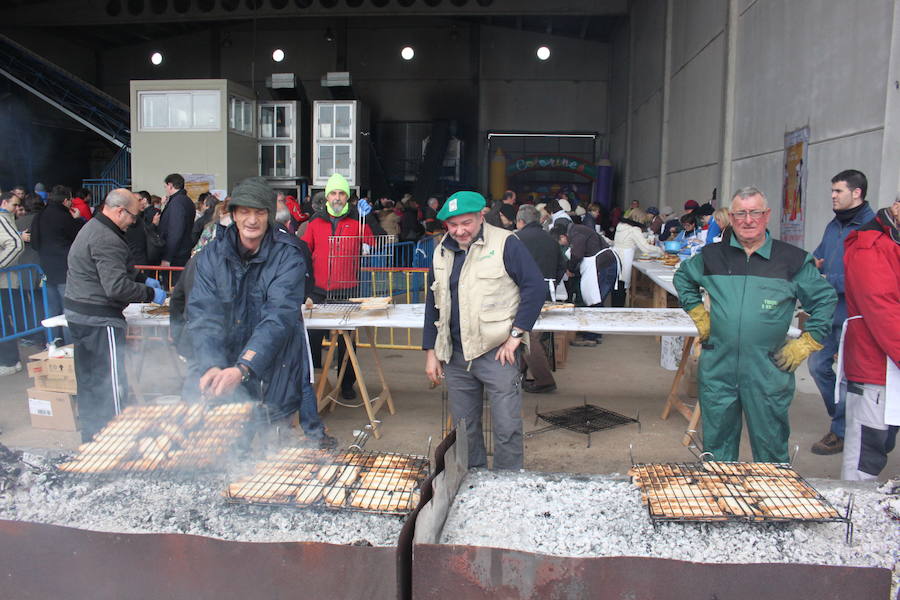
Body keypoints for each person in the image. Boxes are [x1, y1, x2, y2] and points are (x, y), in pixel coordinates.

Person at [673, 186, 837, 462]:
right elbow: (683, 279)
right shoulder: (713, 257)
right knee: (717, 448)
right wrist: (700, 315)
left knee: (770, 445)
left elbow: (824, 300)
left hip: (767, 370)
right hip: (719, 367)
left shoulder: (791, 260)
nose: (748, 220)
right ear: (730, 217)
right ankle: (721, 496)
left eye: (755, 213)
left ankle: (772, 499)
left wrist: (807, 343)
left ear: (767, 215)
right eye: (740, 214)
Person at [186, 178, 335, 448]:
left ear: (269, 215)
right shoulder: (211, 256)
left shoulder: (288, 255)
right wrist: (210, 363)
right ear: (232, 214)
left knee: (273, 454)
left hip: (275, 368)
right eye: (244, 211)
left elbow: (278, 318)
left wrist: (244, 367)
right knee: (229, 452)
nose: (251, 220)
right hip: (228, 366)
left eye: (259, 212)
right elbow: (203, 315)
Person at [423, 191, 544, 470]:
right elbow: (434, 303)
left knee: (507, 427)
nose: (459, 230)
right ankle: (472, 481)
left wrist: (515, 337)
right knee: (465, 430)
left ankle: (507, 485)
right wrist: (431, 351)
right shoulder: (441, 250)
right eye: (452, 225)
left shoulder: (506, 244)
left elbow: (535, 288)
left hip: (497, 352)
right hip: (455, 356)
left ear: (481, 216)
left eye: (466, 223)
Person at [64, 189, 166, 440]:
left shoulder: (96, 228)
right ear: (120, 211)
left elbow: (117, 268)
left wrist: (143, 278)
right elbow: (116, 287)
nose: (134, 222)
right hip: (99, 319)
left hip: (79, 314)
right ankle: (114, 440)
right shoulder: (106, 237)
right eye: (133, 216)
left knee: (89, 382)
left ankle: (92, 439)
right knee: (111, 383)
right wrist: (150, 294)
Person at [807, 169, 876, 456]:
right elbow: (820, 255)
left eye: (838, 191)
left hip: (854, 315)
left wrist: (830, 281)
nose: (833, 196)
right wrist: (813, 263)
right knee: (816, 365)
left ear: (857, 192)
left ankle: (841, 431)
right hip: (827, 311)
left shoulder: (871, 229)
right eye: (832, 191)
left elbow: (870, 277)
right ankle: (844, 419)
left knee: (849, 376)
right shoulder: (834, 226)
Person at [840, 196, 899, 480]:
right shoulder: (869, 245)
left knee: (881, 441)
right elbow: (882, 309)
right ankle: (851, 515)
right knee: (867, 451)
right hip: (876, 366)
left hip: (889, 363)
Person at [302, 173, 374, 400]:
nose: (337, 197)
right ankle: (313, 383)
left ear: (347, 197)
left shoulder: (357, 221)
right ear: (327, 196)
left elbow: (372, 243)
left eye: (341, 193)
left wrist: (368, 224)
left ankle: (346, 384)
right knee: (313, 338)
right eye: (333, 193)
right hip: (318, 290)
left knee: (347, 342)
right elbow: (304, 251)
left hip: (347, 290)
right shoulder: (315, 222)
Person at [515, 205, 566, 393]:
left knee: (526, 335)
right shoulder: (551, 240)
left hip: (524, 292)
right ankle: (520, 373)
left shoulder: (516, 239)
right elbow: (563, 266)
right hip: (547, 291)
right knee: (531, 335)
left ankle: (544, 380)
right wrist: (551, 281)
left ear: (520, 222)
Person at [29, 185, 84, 344]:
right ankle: (70, 346)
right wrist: (79, 220)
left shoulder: (39, 216)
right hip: (65, 270)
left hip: (46, 268)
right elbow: (78, 239)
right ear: (66, 201)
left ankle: (53, 342)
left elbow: (34, 243)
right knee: (69, 310)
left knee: (51, 310)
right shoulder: (65, 217)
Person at [0, 191, 26, 375]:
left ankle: (9, 361)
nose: (17, 208)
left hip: (4, 281)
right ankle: (10, 360)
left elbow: (16, 244)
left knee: (3, 322)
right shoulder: (5, 218)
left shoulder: (3, 218)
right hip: (6, 280)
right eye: (14, 204)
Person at [158, 173, 195, 268]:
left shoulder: (176, 203)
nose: (165, 189)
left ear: (170, 185)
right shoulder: (187, 201)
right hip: (183, 251)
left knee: (171, 282)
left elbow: (175, 231)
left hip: (176, 256)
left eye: (165, 187)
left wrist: (167, 258)